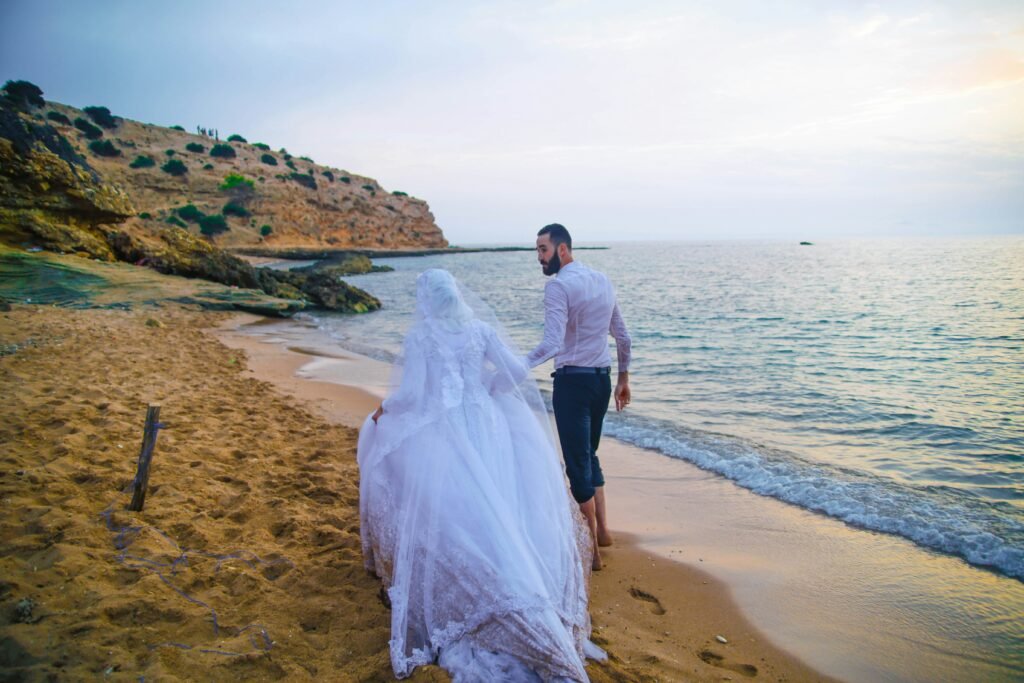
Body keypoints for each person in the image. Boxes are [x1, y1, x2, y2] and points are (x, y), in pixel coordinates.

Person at [358, 268, 606, 682]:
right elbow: (517, 372)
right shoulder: (480, 330)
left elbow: (414, 395)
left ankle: (487, 582)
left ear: (427, 300)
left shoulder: (421, 336)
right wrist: (486, 388)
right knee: (502, 504)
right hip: (487, 425)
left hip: (446, 431)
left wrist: (384, 409)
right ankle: (523, 582)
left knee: (459, 510)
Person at [527, 224, 632, 571]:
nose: (539, 258)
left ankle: (593, 554)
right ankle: (602, 532)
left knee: (577, 465)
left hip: (572, 385)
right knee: (589, 453)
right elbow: (623, 337)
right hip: (601, 382)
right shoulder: (603, 280)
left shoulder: (558, 286)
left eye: (542, 250)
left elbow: (552, 344)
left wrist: (515, 365)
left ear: (561, 250)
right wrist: (623, 379)